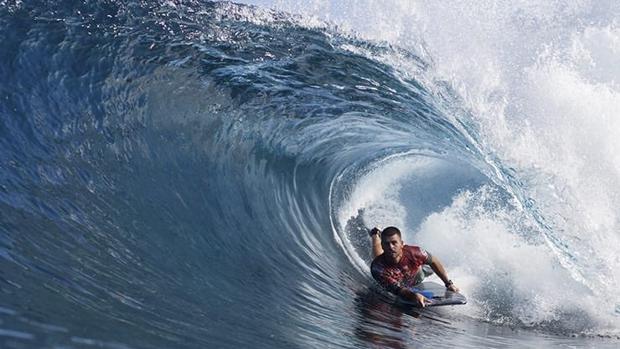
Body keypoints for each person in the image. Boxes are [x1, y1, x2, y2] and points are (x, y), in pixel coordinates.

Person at [369, 226, 459, 308]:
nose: (391, 247)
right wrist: (413, 295)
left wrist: (448, 283)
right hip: (395, 279)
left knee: (426, 271)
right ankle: (375, 235)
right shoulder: (378, 268)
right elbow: (398, 290)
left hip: (417, 274)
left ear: (402, 244)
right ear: (382, 245)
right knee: (378, 256)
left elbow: (434, 261)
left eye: (394, 243)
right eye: (386, 244)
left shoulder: (415, 253)